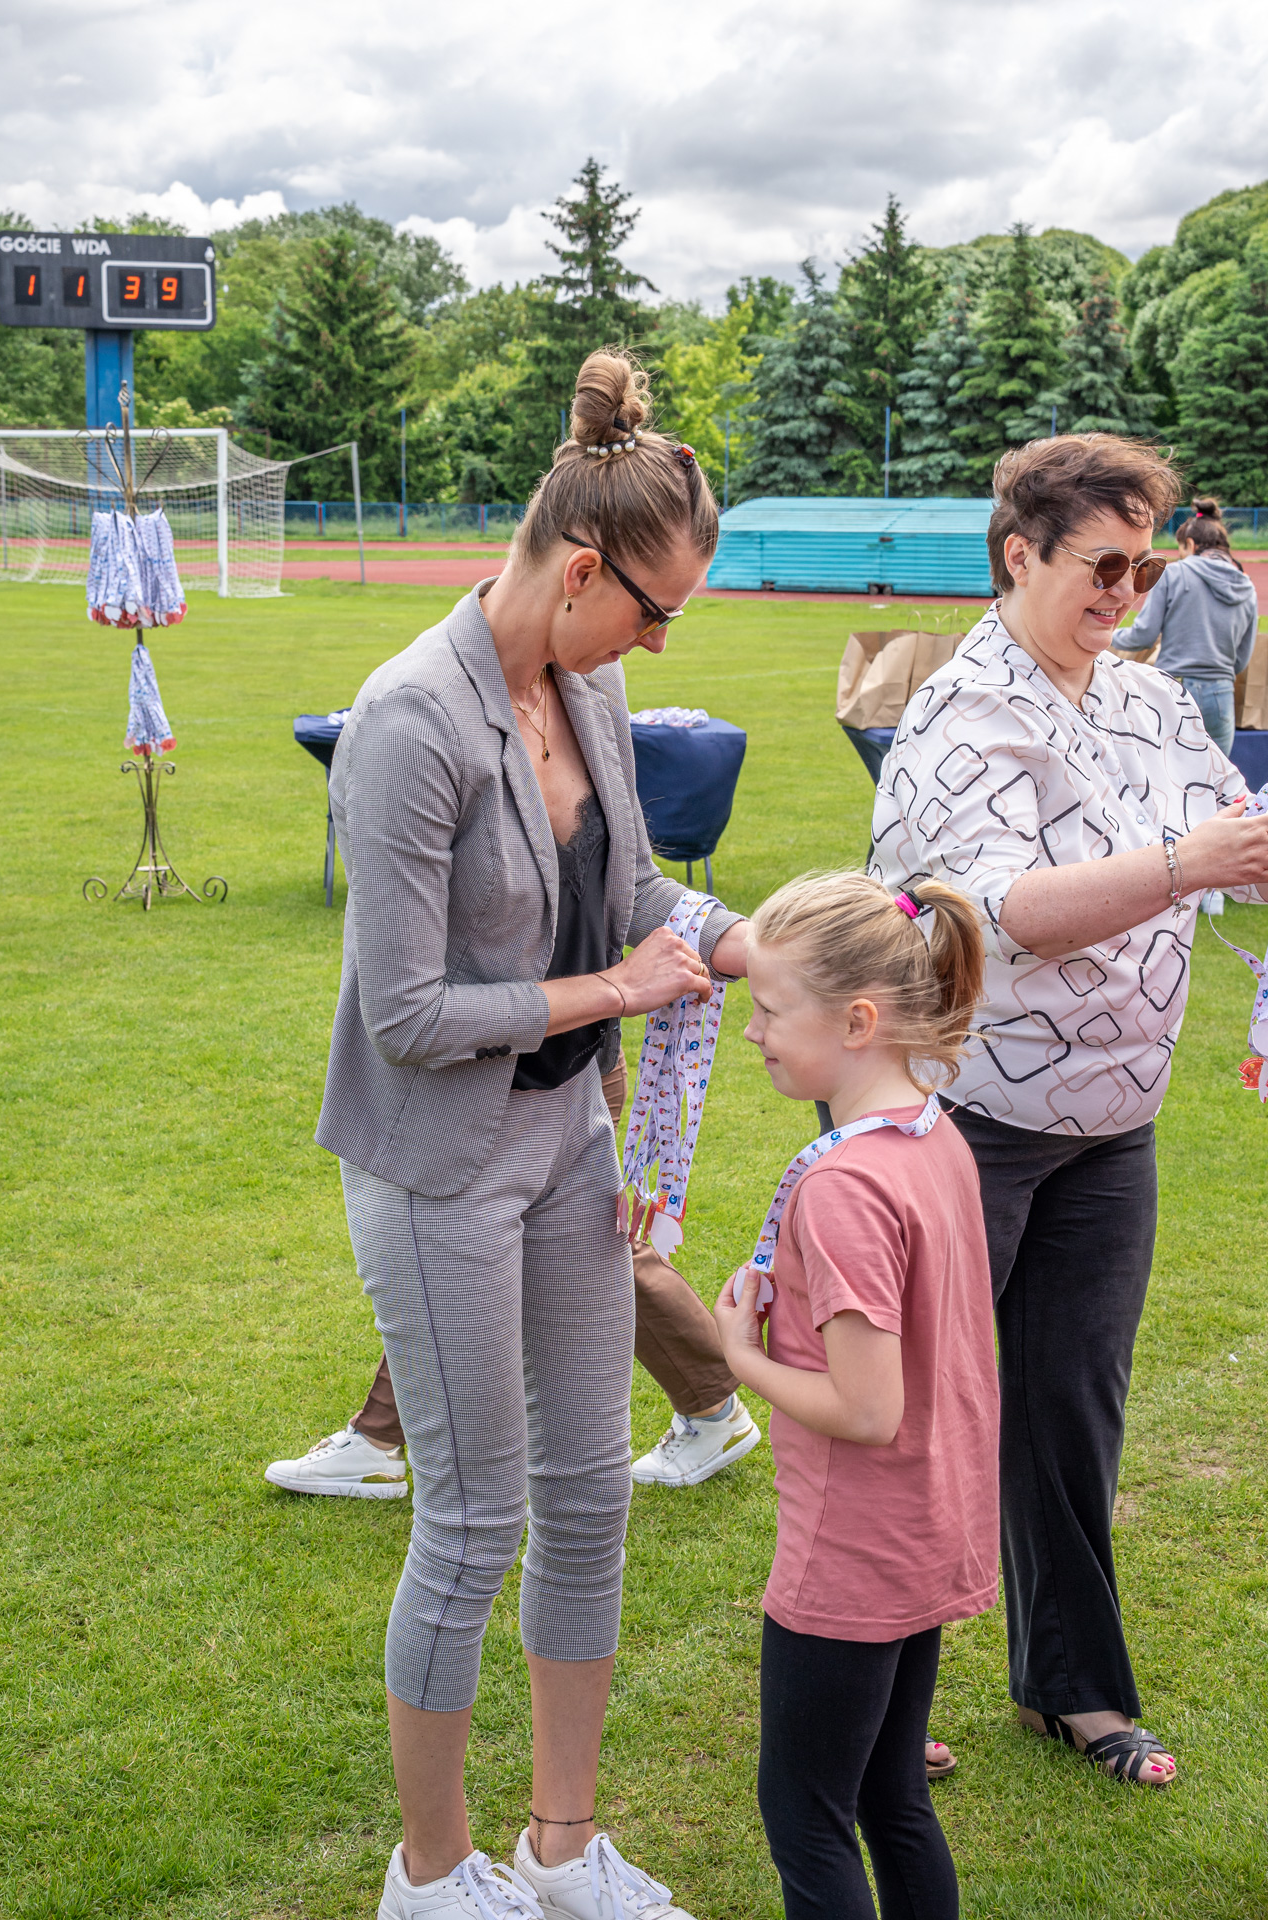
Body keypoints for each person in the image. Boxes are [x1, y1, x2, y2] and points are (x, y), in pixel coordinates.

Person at [316, 347, 757, 1920]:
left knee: (588, 1495)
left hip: (567, 1142)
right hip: (437, 1160)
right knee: (472, 1520)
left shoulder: (591, 684)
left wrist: (746, 940)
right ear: (582, 571)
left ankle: (562, 1854)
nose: (659, 640)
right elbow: (406, 1015)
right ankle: (431, 1878)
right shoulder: (406, 721)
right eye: (657, 610)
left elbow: (632, 893)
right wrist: (614, 991)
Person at [870, 433, 1268, 1790]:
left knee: (1072, 1409)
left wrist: (1240, 852)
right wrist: (1181, 862)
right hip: (961, 1120)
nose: (1126, 592)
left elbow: (1231, 840)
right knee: (914, 1417)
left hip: (1108, 1125)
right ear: (1017, 555)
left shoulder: (1146, 701)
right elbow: (992, 915)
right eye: (1103, 565)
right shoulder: (961, 710)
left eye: (1143, 567)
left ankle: (1071, 1689)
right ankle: (876, 1699)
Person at [713, 872, 998, 1920]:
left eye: (768, 1009)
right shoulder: (934, 1134)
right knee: (889, 1793)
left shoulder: (843, 1187)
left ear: (857, 1021)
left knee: (804, 1813)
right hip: (926, 1524)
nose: (751, 1032)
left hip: (853, 1551)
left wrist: (738, 1356)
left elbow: (867, 1411)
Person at [266, 1044, 758, 1501]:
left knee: (568, 1248)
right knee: (493, 1253)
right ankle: (377, 1439)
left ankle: (713, 1408)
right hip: (517, 1077)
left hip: (547, 1079)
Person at [1113, 496, 1258, 755]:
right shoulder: (1246, 586)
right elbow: (1242, 658)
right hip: (1221, 694)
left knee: (1168, 772)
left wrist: (1110, 635)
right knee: (1216, 776)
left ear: (1190, 544)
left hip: (1174, 688)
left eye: (1181, 549)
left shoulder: (1174, 573)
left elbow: (1144, 635)